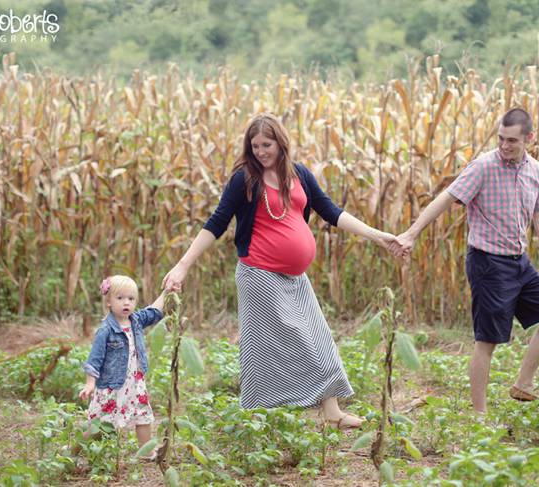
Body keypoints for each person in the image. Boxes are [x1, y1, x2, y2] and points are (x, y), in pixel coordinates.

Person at [163, 113, 399, 429]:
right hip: (258, 274)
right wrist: (182, 266)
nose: (261, 151)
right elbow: (217, 223)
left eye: (267, 144)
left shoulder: (299, 174)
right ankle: (255, 415)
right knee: (265, 345)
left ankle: (333, 413)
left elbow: (331, 212)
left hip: (294, 278)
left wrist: (378, 235)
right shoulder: (244, 179)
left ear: (280, 142)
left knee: (319, 337)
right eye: (255, 145)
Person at [393, 107, 539, 414]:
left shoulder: (534, 170)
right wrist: (411, 233)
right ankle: (480, 416)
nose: (504, 145)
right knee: (487, 341)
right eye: (501, 138)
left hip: (519, 262)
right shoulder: (484, 166)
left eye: (512, 140)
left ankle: (523, 383)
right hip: (488, 262)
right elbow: (447, 198)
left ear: (529, 138)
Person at [79, 275, 167, 450]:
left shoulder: (136, 321)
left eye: (131, 299)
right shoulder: (105, 330)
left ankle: (145, 451)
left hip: (135, 382)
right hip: (112, 385)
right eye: (120, 298)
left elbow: (154, 312)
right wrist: (90, 383)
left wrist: (167, 291)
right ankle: (76, 449)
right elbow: (94, 359)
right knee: (99, 423)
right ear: (109, 302)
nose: (126, 303)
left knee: (143, 416)